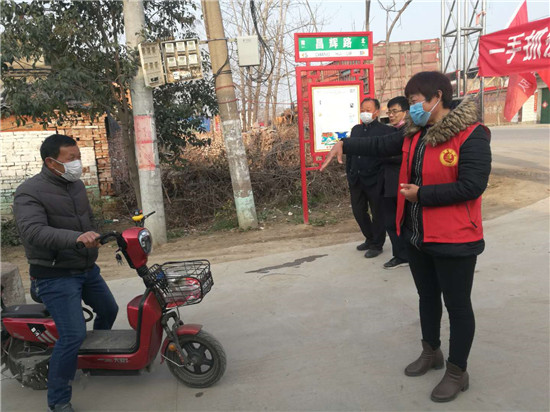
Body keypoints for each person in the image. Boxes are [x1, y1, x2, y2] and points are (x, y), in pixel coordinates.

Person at [321, 71, 491, 402]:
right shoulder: (414, 133)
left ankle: (457, 371)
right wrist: (344, 143)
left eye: (415, 101)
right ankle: (431, 352)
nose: (411, 108)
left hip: (455, 238)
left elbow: (472, 186)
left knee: (457, 306)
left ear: (437, 97)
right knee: (427, 297)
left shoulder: (472, 135)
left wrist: (422, 195)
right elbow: (379, 144)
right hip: (416, 234)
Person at [13, 134, 119, 412]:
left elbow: (86, 220)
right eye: (71, 159)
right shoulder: (29, 192)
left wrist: (96, 234)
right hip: (54, 275)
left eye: (78, 157)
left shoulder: (76, 186)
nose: (77, 164)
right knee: (72, 335)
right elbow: (34, 231)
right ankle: (58, 400)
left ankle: (93, 361)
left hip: (85, 268)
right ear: (51, 162)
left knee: (109, 309)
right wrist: (76, 238)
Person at [346, 98, 394, 258]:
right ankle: (370, 237)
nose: (364, 113)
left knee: (378, 212)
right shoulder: (356, 130)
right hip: (356, 178)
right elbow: (350, 153)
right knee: (358, 211)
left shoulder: (385, 131)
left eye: (368, 110)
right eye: (362, 110)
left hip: (376, 179)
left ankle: (377, 244)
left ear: (376, 112)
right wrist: (349, 172)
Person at [380, 96, 410, 269]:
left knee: (401, 221)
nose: (391, 115)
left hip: (402, 184)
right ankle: (400, 254)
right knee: (390, 221)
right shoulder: (390, 132)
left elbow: (404, 156)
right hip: (388, 184)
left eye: (394, 111)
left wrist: (385, 155)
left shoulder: (410, 132)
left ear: (405, 112)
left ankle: (405, 255)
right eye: (389, 112)